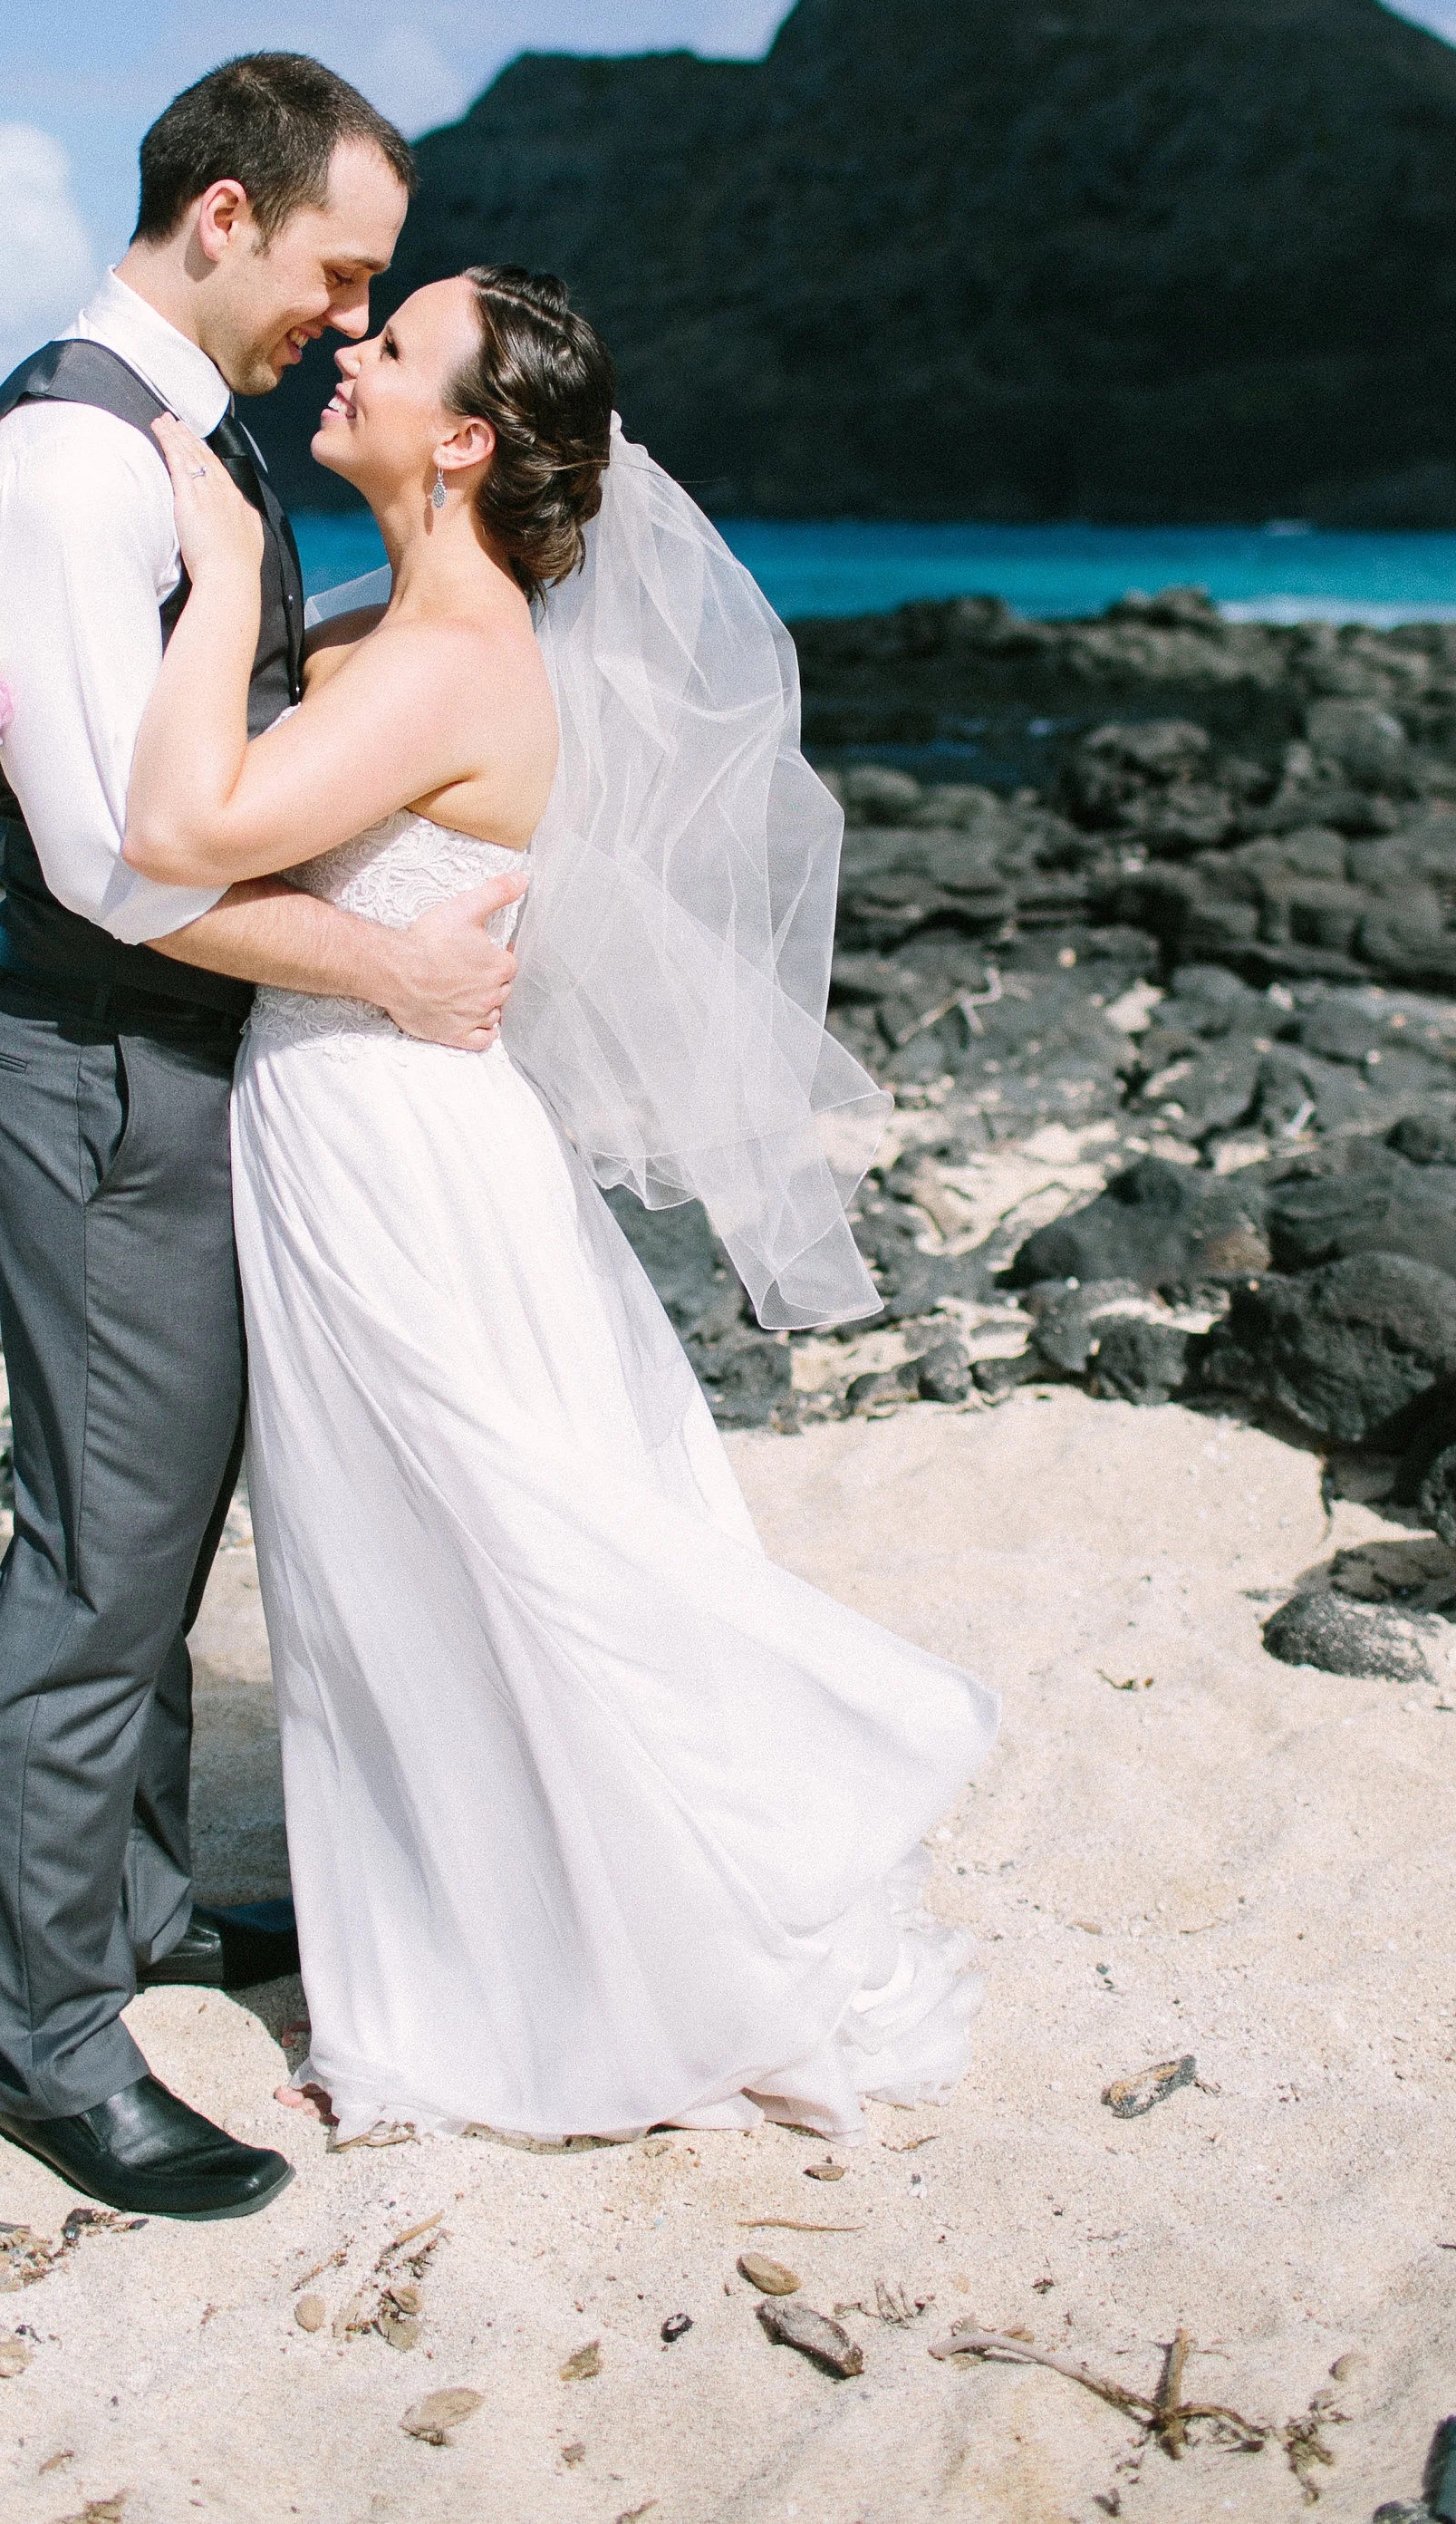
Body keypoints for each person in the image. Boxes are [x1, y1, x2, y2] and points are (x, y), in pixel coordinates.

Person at [122, 263, 998, 2146]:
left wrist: (202, 558)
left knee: (480, 1540)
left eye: (391, 340)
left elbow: (180, 843)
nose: (347, 349)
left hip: (387, 1130)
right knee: (418, 1552)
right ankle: (476, 1931)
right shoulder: (397, 617)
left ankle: (574, 1955)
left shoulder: (445, 654)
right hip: (378, 1105)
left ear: (457, 438)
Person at [0, 56, 526, 2219]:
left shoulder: (170, 441)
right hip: (100, 1062)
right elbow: (112, 861)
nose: (342, 318)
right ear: (219, 217)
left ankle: (143, 1912)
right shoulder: (84, 460)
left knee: (160, 1523)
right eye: (334, 267)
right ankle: (54, 2039)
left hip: (164, 1064)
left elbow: (184, 726)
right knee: (99, 1546)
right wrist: (383, 972)